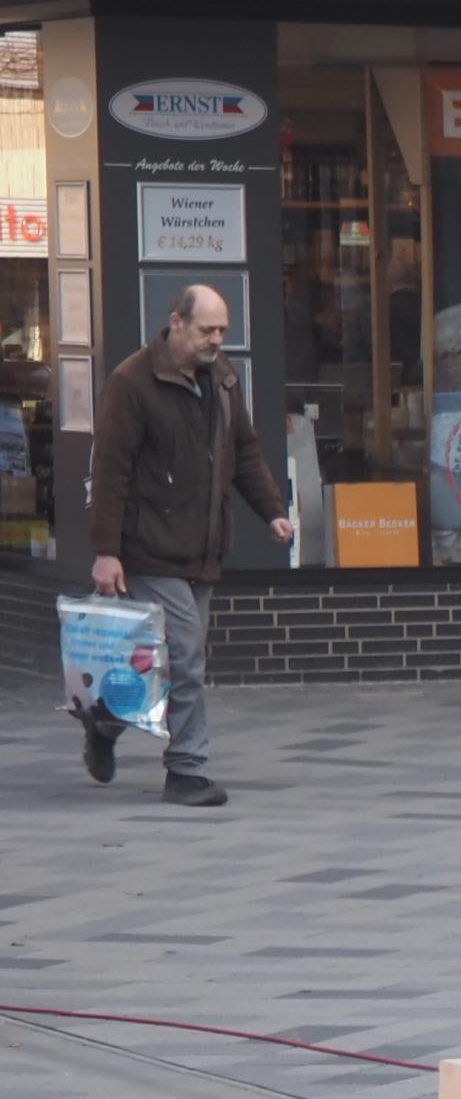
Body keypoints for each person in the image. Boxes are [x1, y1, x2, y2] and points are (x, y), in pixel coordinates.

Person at [85, 283, 291, 808]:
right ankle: (187, 771)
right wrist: (106, 551)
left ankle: (105, 720)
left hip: (200, 548)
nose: (217, 340)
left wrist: (271, 510)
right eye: (207, 330)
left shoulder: (222, 379)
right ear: (176, 322)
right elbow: (110, 471)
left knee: (156, 663)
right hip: (149, 548)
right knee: (183, 657)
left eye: (222, 330)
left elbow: (243, 449)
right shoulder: (132, 382)